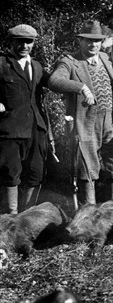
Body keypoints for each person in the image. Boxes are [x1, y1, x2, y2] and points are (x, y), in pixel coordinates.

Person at [48, 21, 113, 204]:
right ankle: (88, 213)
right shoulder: (69, 61)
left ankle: (112, 209)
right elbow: (54, 81)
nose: (93, 45)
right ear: (80, 41)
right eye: (88, 41)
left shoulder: (105, 58)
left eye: (97, 41)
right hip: (86, 123)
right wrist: (81, 87)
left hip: (112, 121)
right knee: (88, 168)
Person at [0, 25, 50, 214]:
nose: (24, 45)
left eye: (28, 41)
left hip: (35, 129)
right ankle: (10, 218)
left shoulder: (36, 66)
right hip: (9, 130)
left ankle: (26, 216)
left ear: (33, 43)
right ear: (11, 42)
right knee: (10, 175)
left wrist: (81, 88)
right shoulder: (3, 64)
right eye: (19, 41)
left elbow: (55, 82)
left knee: (36, 173)